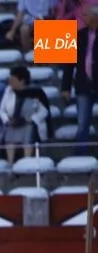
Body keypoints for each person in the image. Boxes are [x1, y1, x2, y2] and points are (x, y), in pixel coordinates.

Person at [61, 5, 98, 156]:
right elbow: (69, 64)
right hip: (83, 85)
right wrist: (65, 87)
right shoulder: (77, 35)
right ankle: (80, 156)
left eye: (87, 16)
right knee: (82, 123)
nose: (84, 19)